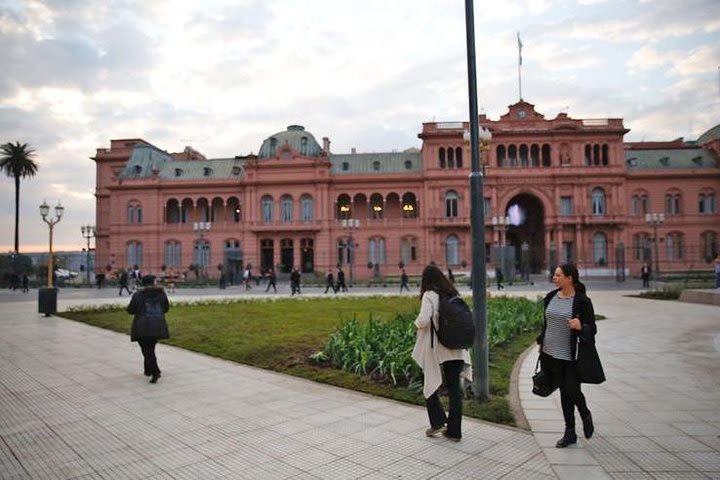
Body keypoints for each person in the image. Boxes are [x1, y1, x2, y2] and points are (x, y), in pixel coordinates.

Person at [538, 263, 603, 448]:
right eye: (554, 275)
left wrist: (580, 326)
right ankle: (570, 432)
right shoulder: (551, 297)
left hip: (571, 355)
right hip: (551, 353)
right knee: (564, 392)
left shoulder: (582, 301)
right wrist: (541, 341)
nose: (554, 278)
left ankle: (584, 413)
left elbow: (593, 328)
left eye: (558, 275)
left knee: (572, 390)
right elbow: (547, 323)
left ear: (570, 278)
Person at [411, 265, 473, 442]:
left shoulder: (429, 295)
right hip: (458, 347)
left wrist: (415, 323)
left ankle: (437, 421)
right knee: (455, 388)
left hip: (439, 347)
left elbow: (423, 320)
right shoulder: (453, 293)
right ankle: (455, 431)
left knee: (429, 381)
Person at [127, 275, 169, 384]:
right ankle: (147, 370)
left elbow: (130, 310)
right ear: (153, 282)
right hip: (157, 324)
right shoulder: (161, 294)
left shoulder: (138, 295)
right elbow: (166, 308)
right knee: (150, 348)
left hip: (142, 326)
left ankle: (155, 371)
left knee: (147, 350)